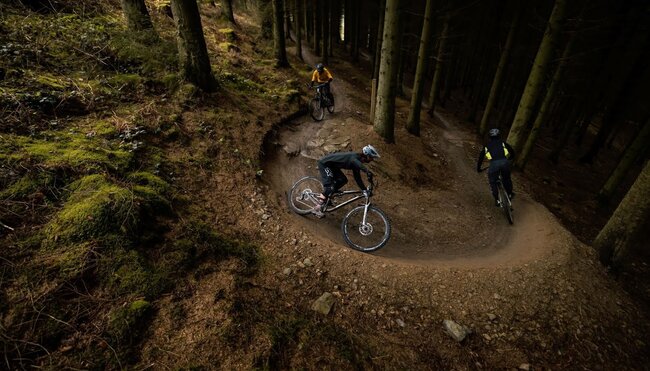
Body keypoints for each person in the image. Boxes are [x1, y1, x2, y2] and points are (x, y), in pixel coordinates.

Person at [312, 145, 380, 217]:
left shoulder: (357, 162)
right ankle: (316, 208)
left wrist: (364, 190)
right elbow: (356, 162)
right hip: (325, 164)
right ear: (367, 156)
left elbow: (357, 178)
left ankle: (328, 196)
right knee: (330, 186)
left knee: (343, 180)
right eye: (372, 158)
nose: (372, 160)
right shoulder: (355, 157)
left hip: (333, 166)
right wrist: (367, 171)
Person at [476, 128, 516, 207]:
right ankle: (510, 194)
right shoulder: (503, 143)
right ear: (499, 136)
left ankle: (497, 200)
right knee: (507, 178)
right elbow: (512, 152)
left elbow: (480, 158)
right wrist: (509, 159)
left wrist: (478, 168)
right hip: (505, 162)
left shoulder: (486, 146)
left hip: (494, 164)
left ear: (490, 137)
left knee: (493, 181)